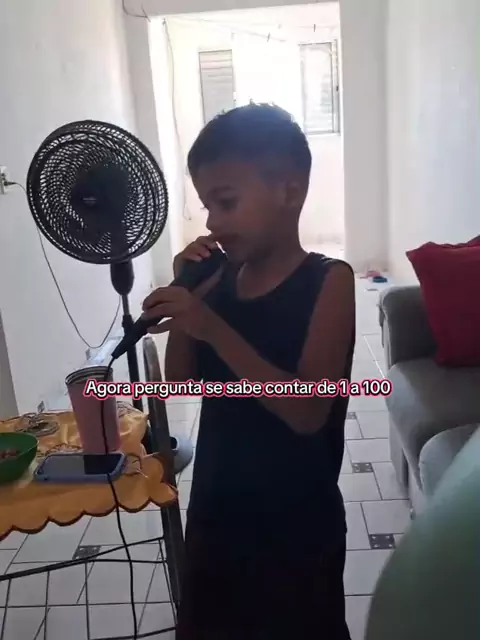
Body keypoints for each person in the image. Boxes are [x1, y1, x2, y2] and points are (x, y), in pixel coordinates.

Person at [142, 103, 356, 640]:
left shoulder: (329, 281)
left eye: (227, 202)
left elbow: (308, 412)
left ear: (290, 191)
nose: (212, 223)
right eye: (207, 206)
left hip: (297, 527)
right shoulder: (221, 282)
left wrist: (212, 327)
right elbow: (181, 383)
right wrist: (190, 298)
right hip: (218, 510)